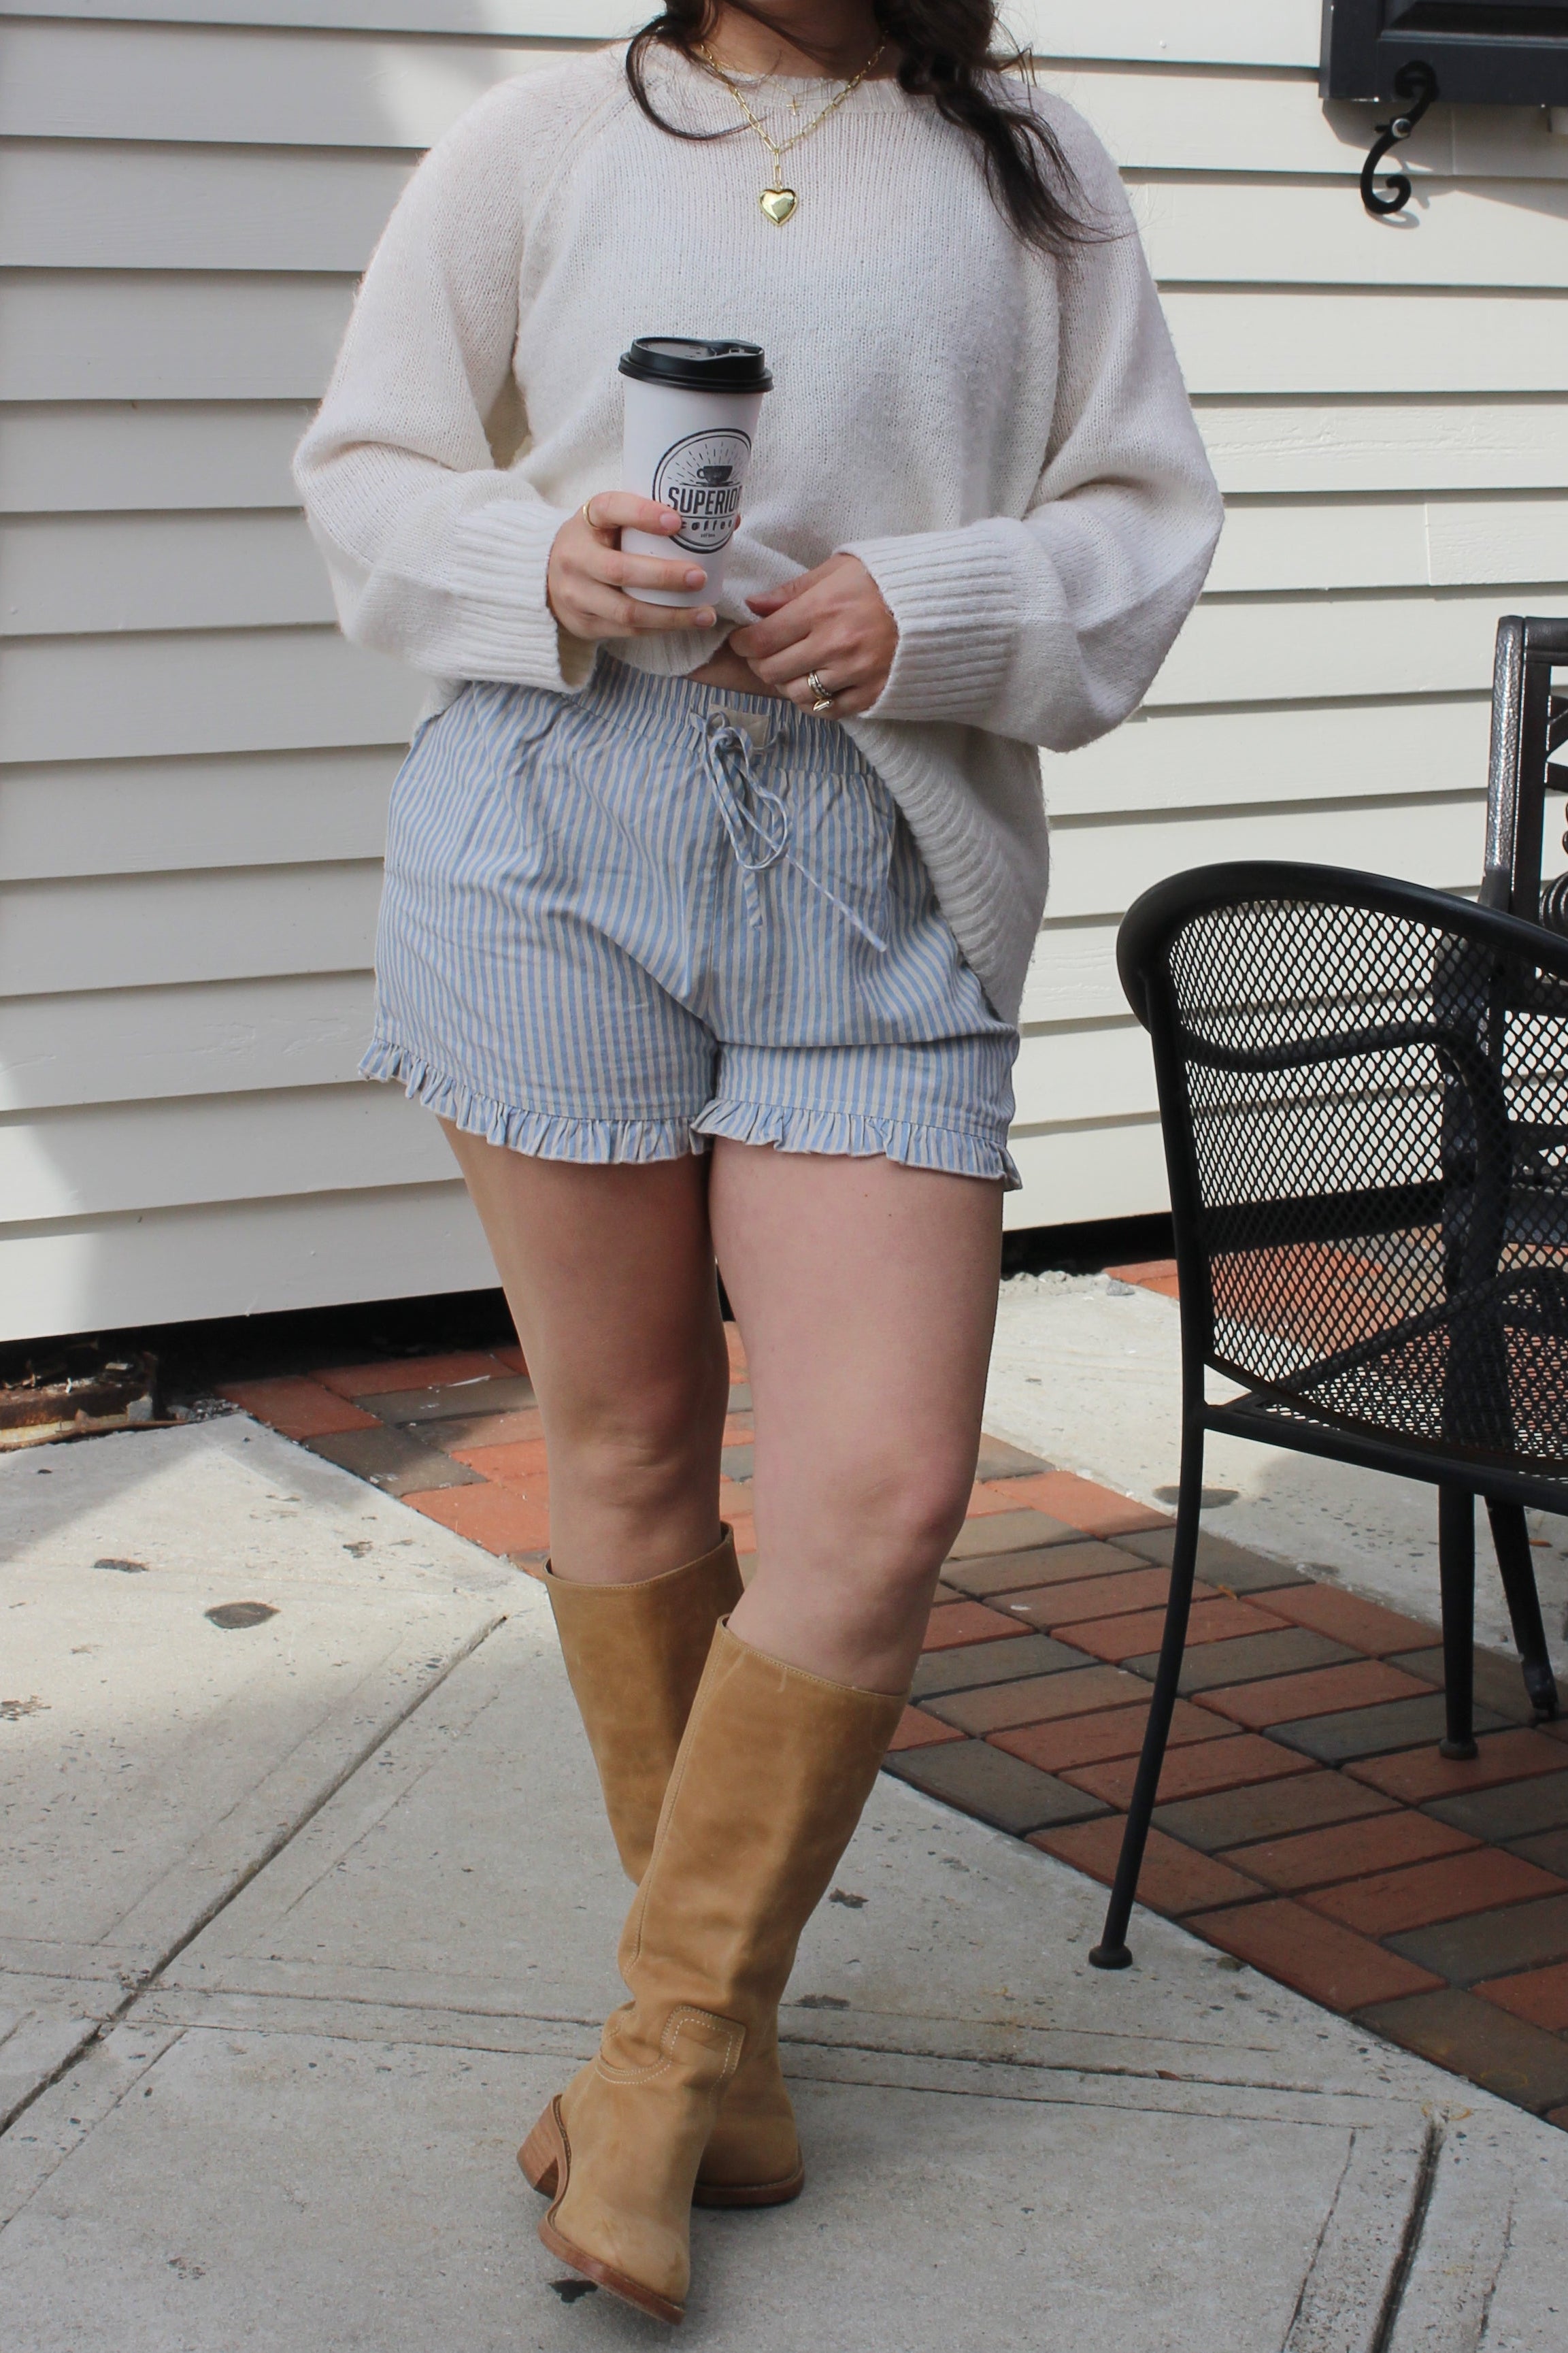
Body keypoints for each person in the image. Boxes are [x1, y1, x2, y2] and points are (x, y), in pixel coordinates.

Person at [295, 0, 1221, 2322]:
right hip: (548, 830)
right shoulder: (540, 141)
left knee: (885, 1487)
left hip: (879, 861)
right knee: (619, 1449)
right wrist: (544, 564)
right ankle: (705, 2054)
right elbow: (370, 466)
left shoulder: (1027, 163)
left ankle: (654, 2056)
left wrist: (939, 607)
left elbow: (1143, 510)